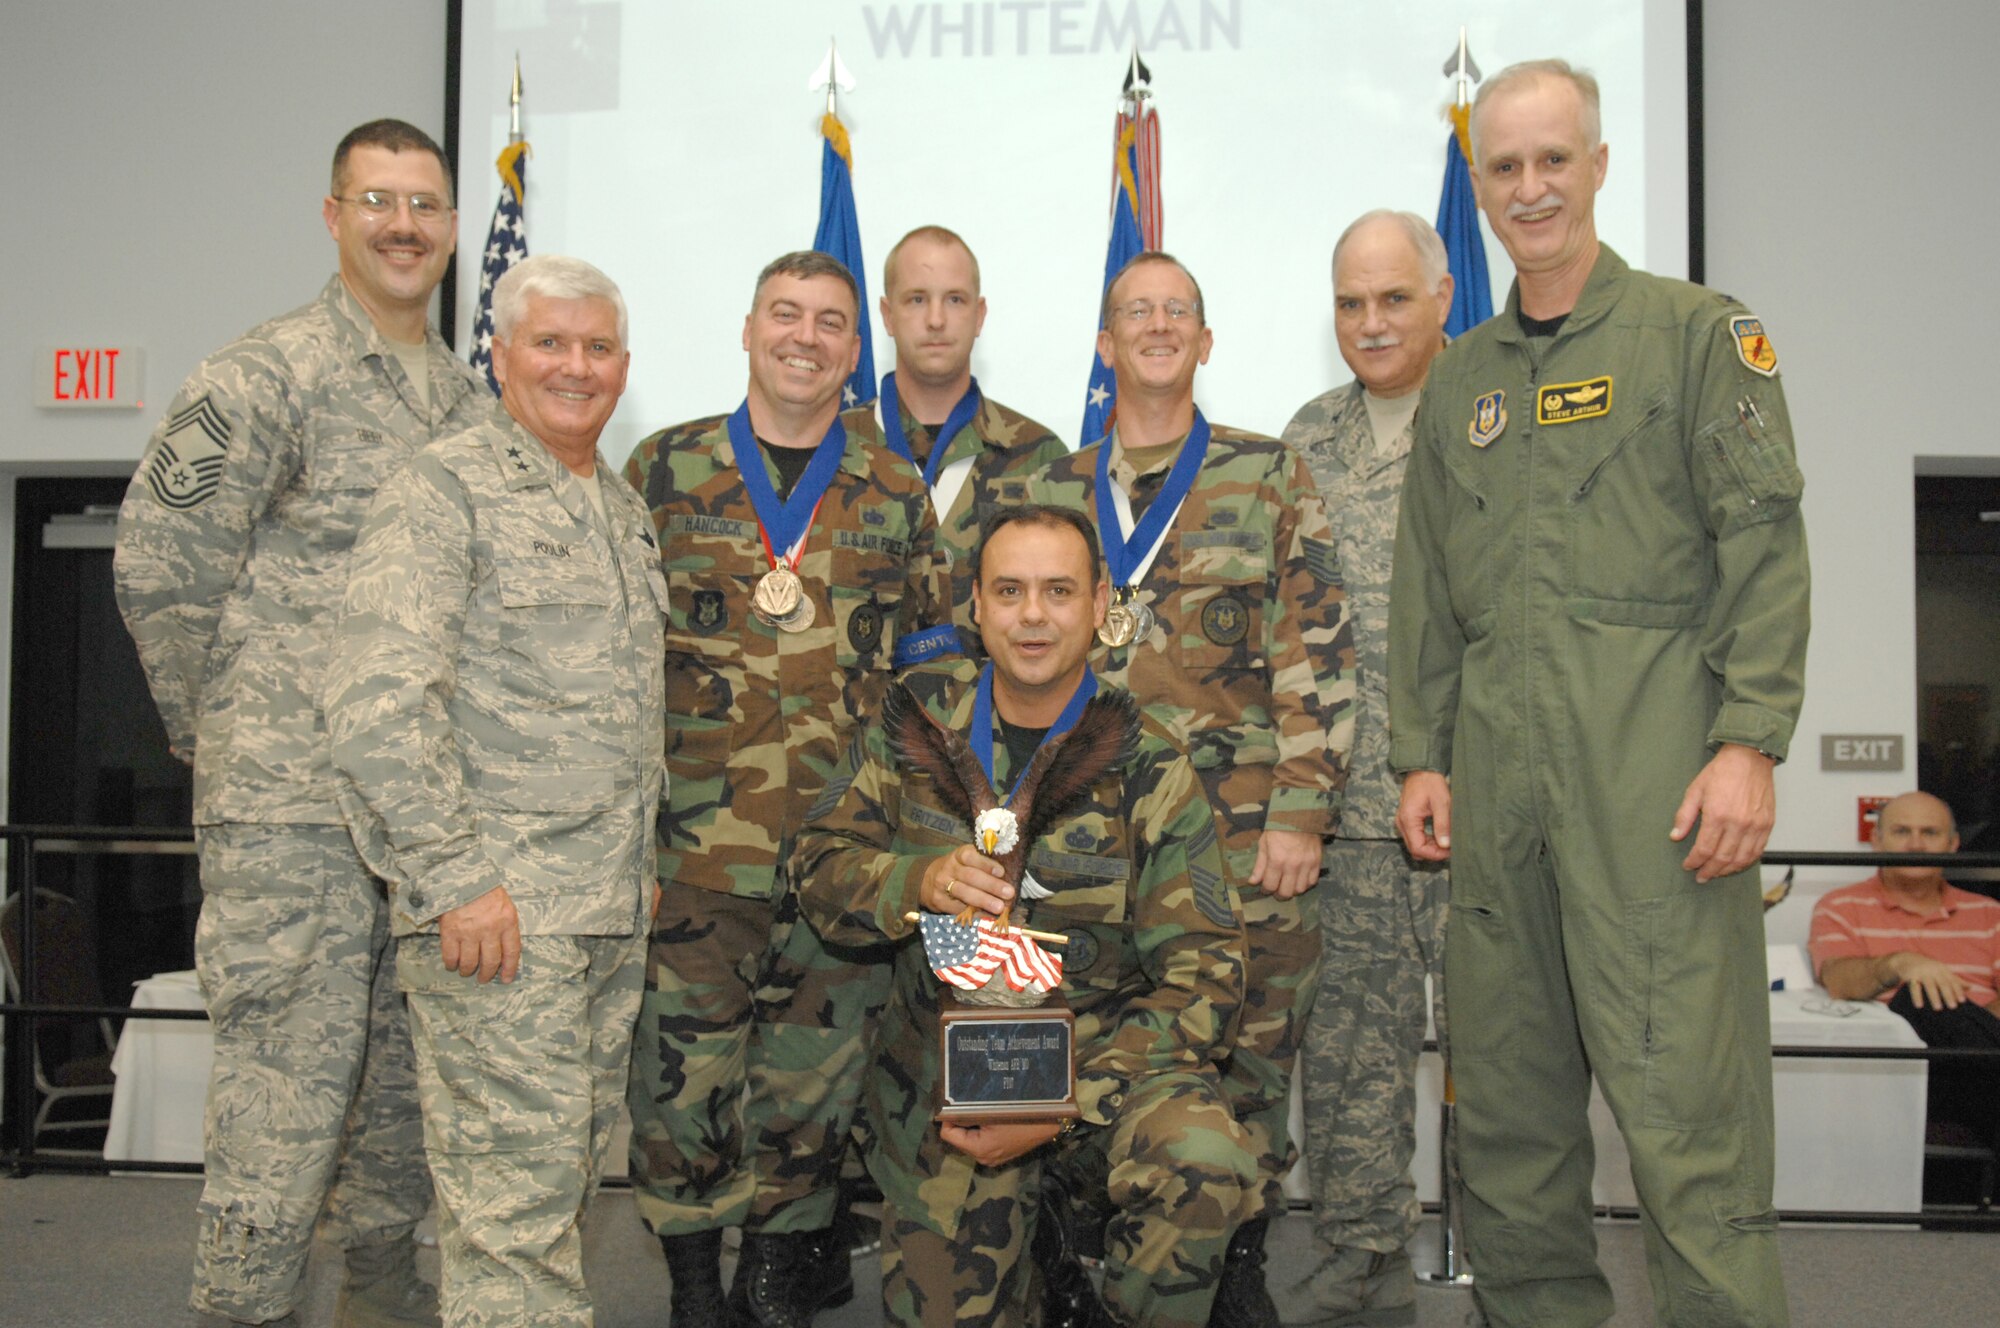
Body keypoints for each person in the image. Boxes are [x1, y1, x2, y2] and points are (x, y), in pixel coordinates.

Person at [1389, 58, 1808, 1327]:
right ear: (1477, 186)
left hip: (1652, 798)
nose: (1529, 189)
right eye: (1504, 167)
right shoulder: (1458, 378)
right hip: (1495, 807)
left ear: (1599, 165)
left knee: (1688, 1125)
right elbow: (1426, 588)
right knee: (1507, 1131)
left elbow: (1763, 545)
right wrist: (1421, 753)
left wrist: (1749, 741)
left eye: (1551, 160)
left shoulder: (1694, 336)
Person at [113, 118, 489, 1328]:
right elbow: (159, 562)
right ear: (333, 215)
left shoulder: (467, 402)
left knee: (397, 1108)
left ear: (451, 227)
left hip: (415, 823)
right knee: (280, 1103)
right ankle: (243, 1309)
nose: (402, 225)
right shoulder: (261, 375)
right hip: (291, 812)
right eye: (377, 200)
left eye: (423, 204)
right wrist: (221, 730)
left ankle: (379, 1302)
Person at [793, 503, 1255, 1328]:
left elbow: (1207, 976)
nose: (1032, 615)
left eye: (1058, 591)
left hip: (1104, 1071)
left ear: (1099, 602)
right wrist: (917, 880)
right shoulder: (916, 721)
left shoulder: (1149, 759)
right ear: (975, 603)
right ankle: (1039, 1264)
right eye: (1008, 591)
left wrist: (1061, 1100)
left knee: (1204, 1162)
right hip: (950, 1092)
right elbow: (818, 865)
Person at [324, 255, 661, 1327]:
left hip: (600, 916)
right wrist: (454, 878)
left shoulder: (619, 508)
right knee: (512, 1226)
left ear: (624, 367)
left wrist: (638, 871)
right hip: (500, 920)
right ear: (500, 355)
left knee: (552, 1198)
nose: (576, 366)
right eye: (550, 342)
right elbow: (377, 703)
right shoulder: (443, 488)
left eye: (598, 347)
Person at [622, 251, 951, 1328]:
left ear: (855, 351)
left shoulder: (893, 490)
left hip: (837, 862)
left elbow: (932, 677)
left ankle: (772, 1280)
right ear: (748, 328)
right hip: (691, 851)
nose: (804, 337)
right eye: (785, 314)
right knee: (680, 1082)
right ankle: (690, 1285)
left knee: (812, 1086)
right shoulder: (663, 470)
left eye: (829, 322)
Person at [1031, 251, 1354, 1326]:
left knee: (1253, 1055)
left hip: (1243, 840)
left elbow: (1318, 651)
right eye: (1136, 311)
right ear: (1105, 343)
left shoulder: (1267, 475)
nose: (1158, 325)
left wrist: (1302, 814)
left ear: (1205, 341)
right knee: (1091, 1046)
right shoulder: (1048, 488)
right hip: (1079, 853)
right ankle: (1077, 1248)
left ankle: (1239, 1258)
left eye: (1178, 310)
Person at [1278, 210, 1454, 1328]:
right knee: (1350, 1052)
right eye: (1351, 302)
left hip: (1481, 798)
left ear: (1442, 297)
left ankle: (1519, 1269)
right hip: (1349, 810)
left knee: (1512, 1055)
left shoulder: (1494, 417)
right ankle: (1362, 1256)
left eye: (1393, 298)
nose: (1372, 321)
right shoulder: (1308, 435)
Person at [875, 225, 1068, 644]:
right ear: (887, 315)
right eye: (917, 299)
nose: (936, 320)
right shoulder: (840, 444)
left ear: (979, 316)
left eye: (955, 300)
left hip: (996, 688)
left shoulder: (1040, 455)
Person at [1808, 791, 2000, 1147]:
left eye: (1930, 833)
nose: (1916, 844)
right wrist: (1901, 963)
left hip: (1974, 1067)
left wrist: (1967, 1024)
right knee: (1916, 998)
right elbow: (1839, 981)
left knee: (1938, 1006)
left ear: (1953, 844)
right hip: (1896, 1070)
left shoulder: (1989, 912)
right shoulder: (1840, 906)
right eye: (1901, 831)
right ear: (1877, 840)